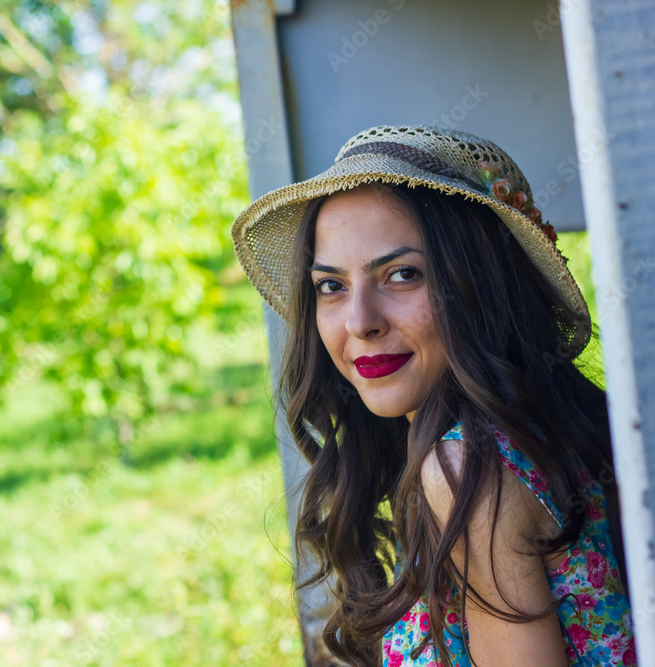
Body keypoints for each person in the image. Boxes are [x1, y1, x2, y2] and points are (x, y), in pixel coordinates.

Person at [229, 125, 636, 666]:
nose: (360, 322)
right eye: (331, 285)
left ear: (482, 283)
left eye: (401, 275)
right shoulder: (557, 422)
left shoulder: (468, 468)